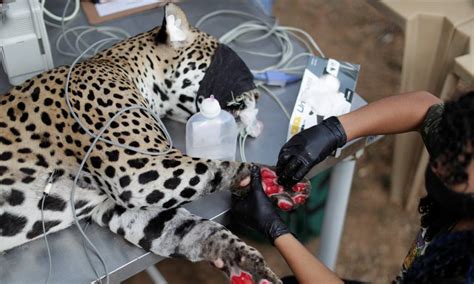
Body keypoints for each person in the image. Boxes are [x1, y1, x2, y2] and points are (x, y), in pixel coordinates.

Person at [232, 91, 474, 283]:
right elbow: (424, 106)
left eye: (456, 170)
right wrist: (334, 130)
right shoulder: (463, 143)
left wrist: (276, 231)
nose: (440, 165)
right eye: (445, 153)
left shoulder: (461, 273)